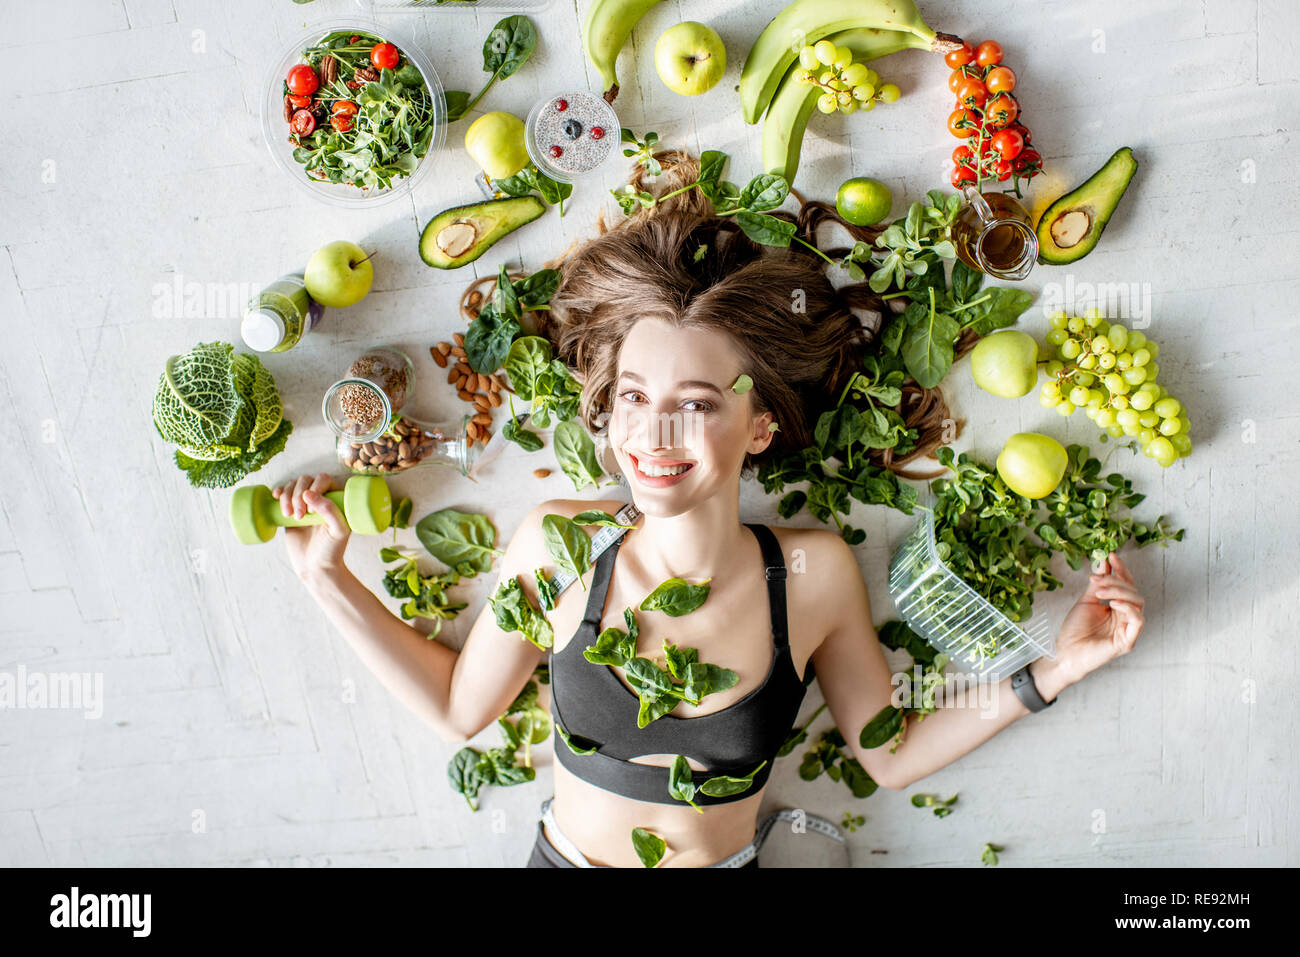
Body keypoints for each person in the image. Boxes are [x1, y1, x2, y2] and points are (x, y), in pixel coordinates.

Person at [272, 153, 1148, 868]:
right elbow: (462, 711)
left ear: (759, 423)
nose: (655, 430)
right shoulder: (562, 543)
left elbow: (887, 753)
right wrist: (328, 579)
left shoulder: (813, 575)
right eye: (634, 395)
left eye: (697, 402)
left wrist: (1055, 671)